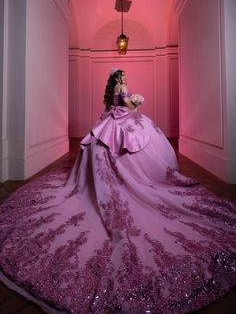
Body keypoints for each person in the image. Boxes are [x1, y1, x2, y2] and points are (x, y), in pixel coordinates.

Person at [0, 68, 236, 314]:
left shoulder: (112, 91)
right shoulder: (122, 90)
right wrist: (137, 102)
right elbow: (130, 108)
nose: (124, 80)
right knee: (140, 142)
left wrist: (133, 102)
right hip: (121, 122)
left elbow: (118, 106)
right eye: (122, 77)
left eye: (123, 78)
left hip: (111, 121)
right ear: (118, 80)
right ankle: (135, 181)